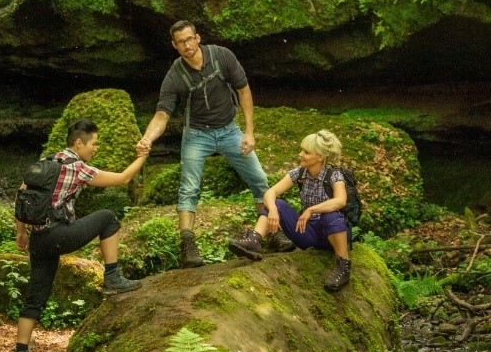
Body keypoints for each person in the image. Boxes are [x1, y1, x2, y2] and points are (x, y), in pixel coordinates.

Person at [11, 119, 148, 352]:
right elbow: (123, 179)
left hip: (39, 239)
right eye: (93, 144)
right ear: (78, 143)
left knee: (35, 297)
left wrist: (21, 232)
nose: (95, 149)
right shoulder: (76, 168)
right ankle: (112, 277)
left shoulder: (45, 162)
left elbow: (22, 196)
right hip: (59, 234)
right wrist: (142, 156)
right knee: (108, 217)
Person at [136, 20, 272, 268]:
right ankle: (188, 245)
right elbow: (163, 114)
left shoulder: (221, 56)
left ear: (198, 38)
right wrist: (148, 138)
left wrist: (249, 131)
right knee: (188, 188)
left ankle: (270, 231)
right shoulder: (174, 75)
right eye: (181, 42)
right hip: (197, 135)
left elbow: (243, 90)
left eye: (190, 39)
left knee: (259, 179)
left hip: (230, 130)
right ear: (174, 46)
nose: (187, 46)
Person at [227, 129, 353, 292]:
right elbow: (270, 192)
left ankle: (343, 265)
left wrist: (311, 210)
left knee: (330, 214)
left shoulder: (335, 175)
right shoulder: (299, 173)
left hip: (332, 235)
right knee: (276, 203)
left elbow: (340, 201)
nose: (301, 154)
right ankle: (254, 240)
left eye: (306, 152)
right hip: (308, 233)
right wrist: (272, 209)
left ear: (320, 157)